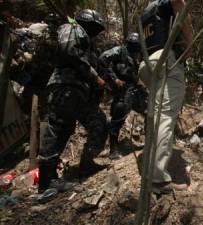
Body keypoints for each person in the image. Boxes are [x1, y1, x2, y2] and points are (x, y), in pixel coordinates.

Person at [37, 9, 107, 193]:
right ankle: (46, 183)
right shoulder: (71, 28)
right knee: (58, 129)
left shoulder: (89, 44)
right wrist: (94, 76)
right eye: (96, 28)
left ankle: (86, 166)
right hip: (65, 88)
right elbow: (70, 50)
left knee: (97, 123)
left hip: (78, 94)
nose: (98, 33)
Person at [139, 0, 193, 194]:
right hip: (166, 61)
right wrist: (189, 42)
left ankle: (149, 169)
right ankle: (158, 179)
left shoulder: (147, 10)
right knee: (166, 117)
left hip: (148, 63)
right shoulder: (164, 3)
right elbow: (180, 3)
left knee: (156, 115)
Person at [99, 32, 147, 160]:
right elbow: (103, 58)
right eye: (136, 46)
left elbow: (133, 75)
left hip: (133, 91)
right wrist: (114, 79)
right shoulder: (119, 51)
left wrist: (141, 87)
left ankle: (150, 143)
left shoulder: (133, 57)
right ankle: (113, 150)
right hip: (122, 91)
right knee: (117, 119)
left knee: (149, 109)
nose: (138, 49)